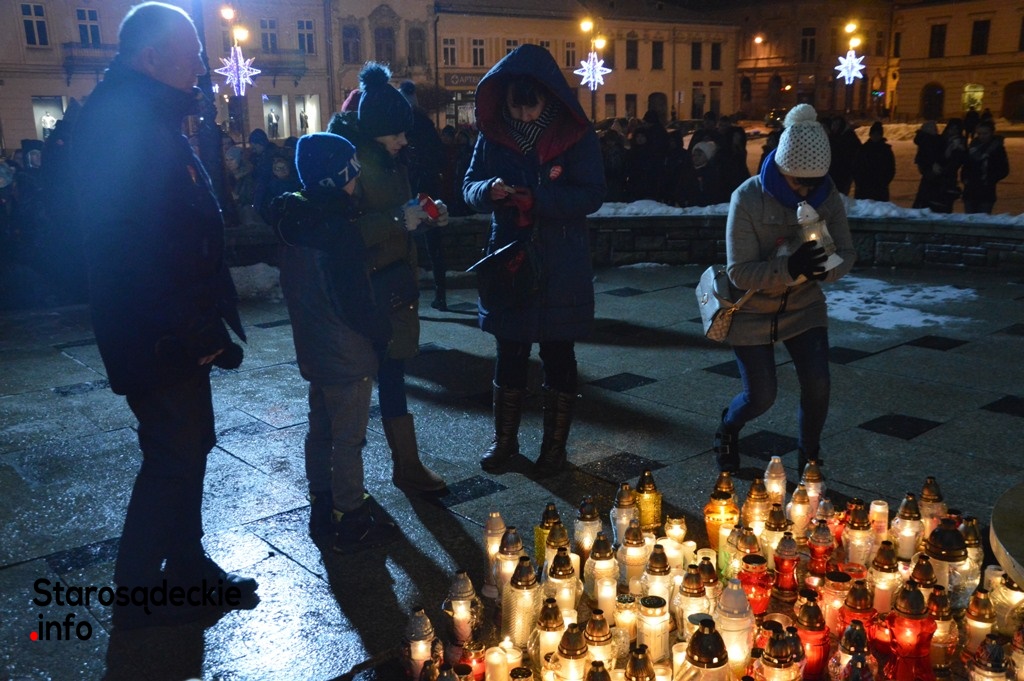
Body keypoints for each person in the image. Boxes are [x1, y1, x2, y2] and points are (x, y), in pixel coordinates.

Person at [70, 1, 256, 628]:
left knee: (189, 445)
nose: (202, 65)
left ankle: (186, 570)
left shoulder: (147, 114)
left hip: (170, 325)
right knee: (173, 453)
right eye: (191, 54)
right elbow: (133, 246)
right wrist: (189, 328)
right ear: (151, 58)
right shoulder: (124, 123)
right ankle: (137, 593)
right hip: (156, 330)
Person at [463, 44, 605, 477]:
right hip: (510, 259)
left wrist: (539, 200)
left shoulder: (575, 134)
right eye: (515, 106)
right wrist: (488, 190)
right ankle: (504, 442)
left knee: (558, 353)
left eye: (531, 106)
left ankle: (553, 449)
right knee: (509, 350)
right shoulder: (492, 135)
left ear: (548, 98)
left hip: (561, 262)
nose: (523, 115)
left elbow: (592, 194)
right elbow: (468, 187)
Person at [268, 132, 399, 552]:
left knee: (320, 430)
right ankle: (350, 516)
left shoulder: (295, 222)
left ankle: (321, 504)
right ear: (337, 178)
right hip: (347, 351)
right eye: (351, 175)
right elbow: (354, 300)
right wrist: (381, 332)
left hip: (314, 347)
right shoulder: (338, 230)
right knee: (348, 438)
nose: (356, 183)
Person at [714, 103, 856, 475]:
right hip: (751, 309)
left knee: (818, 384)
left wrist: (826, 269)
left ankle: (809, 456)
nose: (806, 190)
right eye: (798, 182)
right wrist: (790, 268)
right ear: (780, 168)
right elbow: (739, 272)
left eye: (814, 183)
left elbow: (847, 252)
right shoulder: (747, 197)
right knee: (761, 396)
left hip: (804, 307)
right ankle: (728, 426)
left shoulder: (827, 195)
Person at [327, 61, 448, 495]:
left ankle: (407, 465)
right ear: (375, 131)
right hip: (366, 290)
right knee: (359, 382)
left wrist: (424, 216)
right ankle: (345, 481)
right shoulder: (350, 164)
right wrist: (400, 217)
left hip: (394, 285)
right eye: (396, 133)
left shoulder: (391, 160)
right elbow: (342, 233)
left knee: (393, 372)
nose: (404, 140)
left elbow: (398, 215)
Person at [399, 80, 449, 311]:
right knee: (434, 241)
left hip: (410, 189)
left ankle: (408, 299)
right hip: (428, 189)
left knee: (406, 241)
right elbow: (440, 155)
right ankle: (441, 294)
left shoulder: (402, 124)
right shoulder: (426, 123)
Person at [961, 119, 1009, 215]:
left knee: (982, 217)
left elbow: (1004, 169)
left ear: (992, 133)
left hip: (986, 190)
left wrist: (990, 178)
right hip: (970, 190)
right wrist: (965, 178)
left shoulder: (997, 148)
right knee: (970, 219)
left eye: (985, 133)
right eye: (979, 133)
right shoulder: (973, 146)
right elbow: (966, 165)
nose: (982, 136)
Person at [852, 121, 896, 202]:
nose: (875, 136)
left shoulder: (886, 150)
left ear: (881, 135)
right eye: (874, 134)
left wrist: (884, 182)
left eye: (877, 134)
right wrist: (859, 182)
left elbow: (890, 168)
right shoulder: (863, 149)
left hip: (879, 187)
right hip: (864, 186)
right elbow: (856, 166)